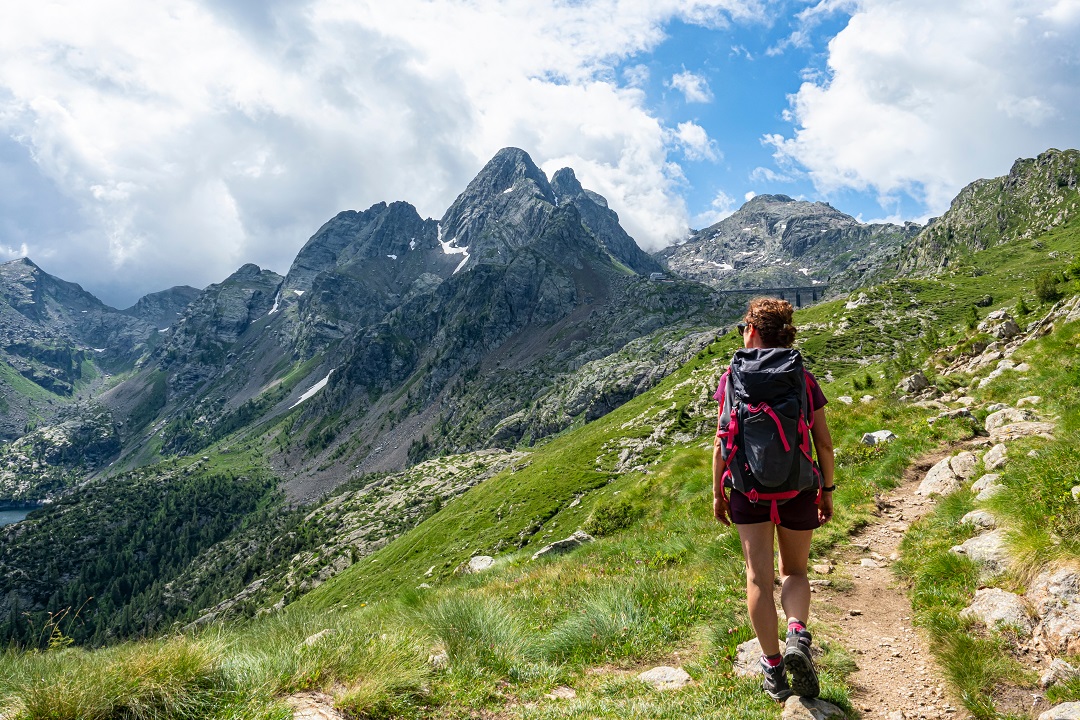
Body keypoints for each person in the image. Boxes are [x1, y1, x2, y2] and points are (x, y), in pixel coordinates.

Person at [712, 297, 835, 701]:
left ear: (753, 330)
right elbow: (824, 444)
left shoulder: (733, 378)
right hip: (798, 487)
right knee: (795, 572)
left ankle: (774, 670)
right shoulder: (802, 377)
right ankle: (797, 633)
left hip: (747, 490)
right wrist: (827, 491)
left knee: (757, 580)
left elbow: (720, 443)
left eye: (744, 326)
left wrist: (718, 494)